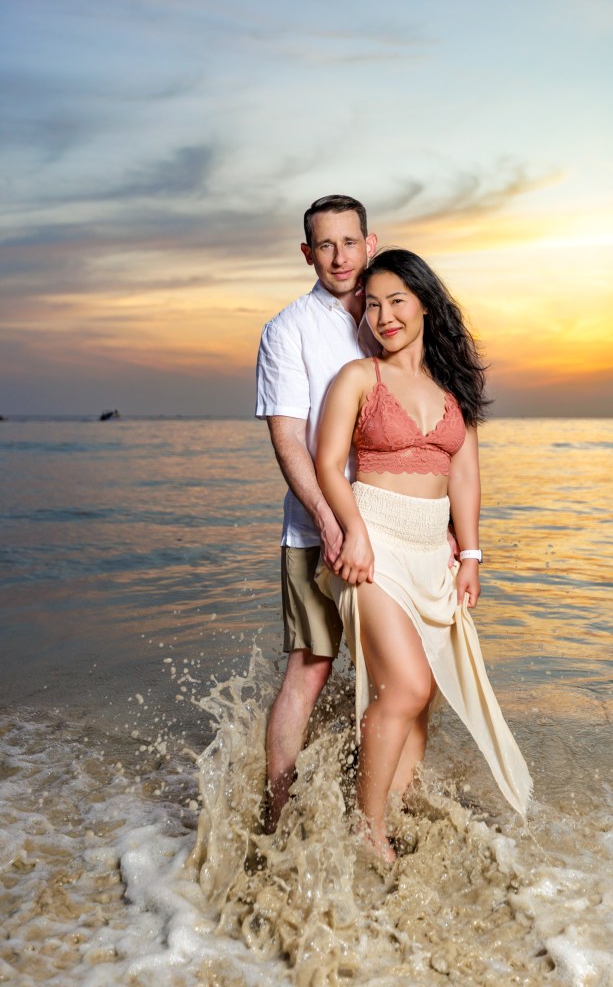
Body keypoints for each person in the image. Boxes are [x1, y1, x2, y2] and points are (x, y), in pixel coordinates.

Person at [315, 248, 533, 860]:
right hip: (375, 543)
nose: (383, 315)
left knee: (422, 694)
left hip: (431, 550)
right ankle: (367, 830)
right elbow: (328, 464)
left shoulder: (452, 391)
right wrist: (353, 532)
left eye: (397, 301)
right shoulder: (359, 378)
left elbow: (464, 479)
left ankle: (397, 804)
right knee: (407, 687)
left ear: (425, 304)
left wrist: (471, 556)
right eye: (373, 303)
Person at [255, 194, 378, 833]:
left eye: (348, 242)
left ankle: (374, 812)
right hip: (316, 532)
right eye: (324, 245)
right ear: (308, 253)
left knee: (392, 677)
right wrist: (330, 524)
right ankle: (276, 818)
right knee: (312, 666)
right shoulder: (288, 330)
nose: (338, 257)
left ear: (370, 242)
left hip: (390, 526)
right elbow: (286, 438)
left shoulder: (391, 314)